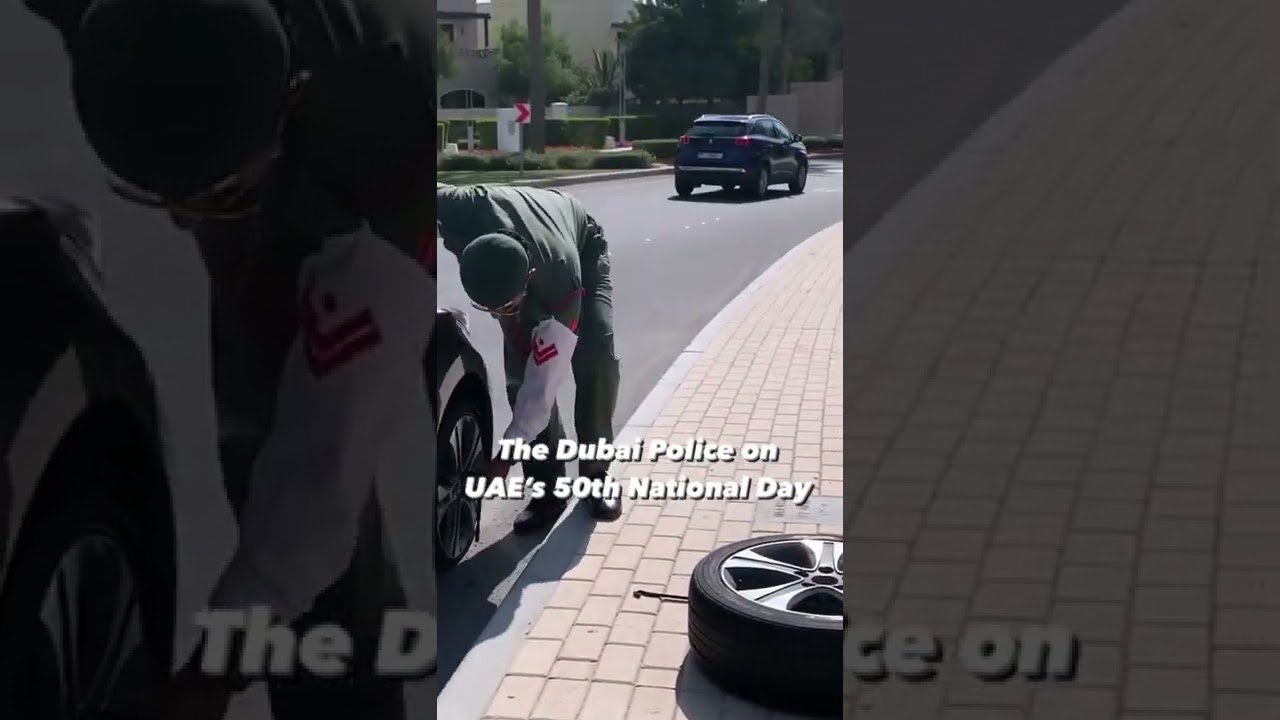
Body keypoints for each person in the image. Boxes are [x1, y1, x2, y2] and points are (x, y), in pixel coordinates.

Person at [23, 0, 437, 718]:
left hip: (357, 168)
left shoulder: (388, 157)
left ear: (293, 99)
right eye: (154, 196)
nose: (180, 221)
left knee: (286, 440)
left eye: (214, 198)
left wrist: (215, 670)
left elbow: (318, 474)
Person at [436, 183, 624, 533]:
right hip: (521, 246)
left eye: (506, 307)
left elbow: (542, 388)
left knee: (595, 357)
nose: (498, 315)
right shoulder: (458, 206)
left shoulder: (560, 279)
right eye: (488, 308)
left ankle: (596, 475)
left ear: (529, 279)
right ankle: (548, 489)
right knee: (520, 374)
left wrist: (505, 456)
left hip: (580, 245)